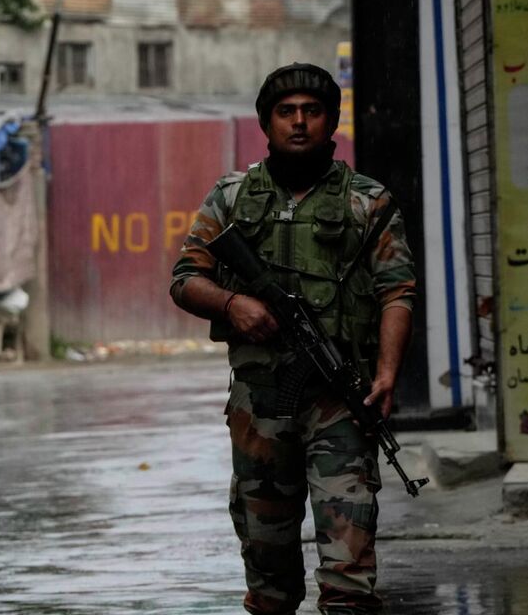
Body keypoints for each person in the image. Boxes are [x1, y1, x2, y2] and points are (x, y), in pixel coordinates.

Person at [171, 63, 416, 615]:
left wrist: (386, 376)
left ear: (331, 121)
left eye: (312, 111)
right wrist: (235, 304)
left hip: (341, 403)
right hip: (260, 408)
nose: (300, 122)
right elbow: (185, 280)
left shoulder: (368, 201)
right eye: (286, 112)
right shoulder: (231, 197)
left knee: (350, 581)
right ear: (267, 122)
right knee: (269, 578)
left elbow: (397, 291)